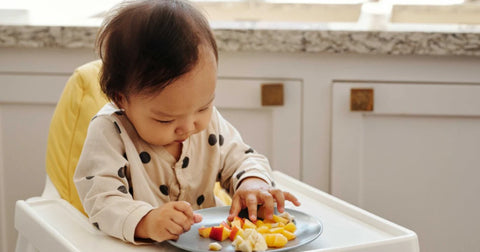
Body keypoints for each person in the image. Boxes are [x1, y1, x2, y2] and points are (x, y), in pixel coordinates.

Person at [74, 0, 300, 244]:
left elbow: (243, 158)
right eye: (165, 119)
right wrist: (145, 221)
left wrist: (252, 182)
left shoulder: (209, 123)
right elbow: (101, 199)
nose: (189, 126)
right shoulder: (110, 132)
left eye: (203, 107)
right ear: (122, 99)